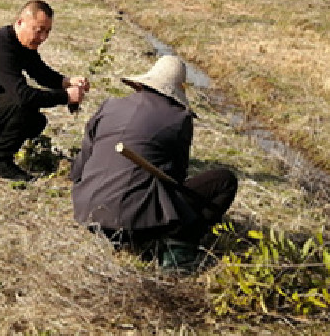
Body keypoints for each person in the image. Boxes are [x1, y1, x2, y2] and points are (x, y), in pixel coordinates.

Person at [71, 55, 238, 269]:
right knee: (225, 180)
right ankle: (179, 243)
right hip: (132, 224)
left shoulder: (109, 106)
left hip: (88, 213)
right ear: (178, 90)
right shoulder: (179, 119)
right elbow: (176, 178)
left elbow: (79, 168)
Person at [0, 0, 89, 181]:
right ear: (20, 22)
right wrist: (65, 96)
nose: (43, 37)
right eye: (38, 30)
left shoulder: (20, 43)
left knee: (35, 121)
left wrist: (66, 82)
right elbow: (23, 96)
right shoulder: (2, 49)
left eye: (47, 32)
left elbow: (39, 71)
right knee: (22, 107)